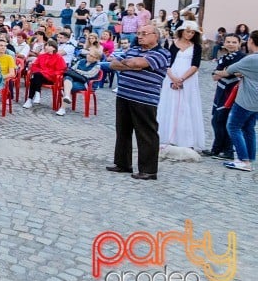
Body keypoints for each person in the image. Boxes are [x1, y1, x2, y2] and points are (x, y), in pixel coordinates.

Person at [107, 25, 170, 180]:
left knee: (146, 133)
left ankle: (148, 170)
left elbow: (137, 64)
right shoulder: (133, 50)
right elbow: (113, 63)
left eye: (144, 33)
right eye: (139, 33)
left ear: (155, 36)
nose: (140, 36)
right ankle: (122, 163)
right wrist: (133, 64)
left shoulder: (162, 53)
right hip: (124, 95)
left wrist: (131, 64)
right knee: (122, 130)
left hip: (144, 98)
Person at [156, 21, 204, 151]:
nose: (190, 34)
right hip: (171, 75)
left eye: (192, 32)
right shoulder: (171, 43)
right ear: (182, 31)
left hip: (187, 78)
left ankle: (185, 137)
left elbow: (195, 65)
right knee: (169, 104)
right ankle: (166, 135)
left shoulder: (196, 47)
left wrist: (182, 79)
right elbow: (166, 61)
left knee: (186, 105)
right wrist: (173, 77)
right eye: (188, 31)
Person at [217, 30, 258, 171]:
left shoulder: (250, 59)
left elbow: (227, 72)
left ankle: (243, 160)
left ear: (251, 41)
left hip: (246, 99)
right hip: (256, 102)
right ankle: (250, 157)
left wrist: (216, 73)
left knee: (233, 127)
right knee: (249, 128)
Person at [202, 33, 245, 159]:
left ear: (239, 43)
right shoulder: (224, 56)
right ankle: (217, 148)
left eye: (234, 42)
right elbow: (215, 75)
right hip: (221, 90)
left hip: (232, 91)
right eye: (228, 41)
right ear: (224, 43)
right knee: (216, 120)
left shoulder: (241, 57)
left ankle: (228, 151)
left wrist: (223, 73)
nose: (230, 44)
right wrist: (222, 73)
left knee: (224, 120)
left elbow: (235, 73)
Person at [58, 46, 103, 116]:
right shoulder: (81, 61)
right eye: (88, 54)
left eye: (91, 56)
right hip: (75, 79)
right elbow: (72, 69)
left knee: (68, 87)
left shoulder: (97, 66)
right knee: (67, 77)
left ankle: (62, 108)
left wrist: (78, 71)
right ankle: (66, 97)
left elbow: (89, 75)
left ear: (96, 59)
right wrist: (78, 72)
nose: (88, 56)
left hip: (86, 84)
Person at [23, 40, 66, 108]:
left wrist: (46, 72)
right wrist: (41, 71)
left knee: (35, 78)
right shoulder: (41, 56)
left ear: (54, 48)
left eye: (48, 45)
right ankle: (36, 94)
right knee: (36, 77)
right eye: (46, 45)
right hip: (40, 76)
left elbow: (61, 70)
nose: (46, 47)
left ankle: (30, 99)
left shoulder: (58, 58)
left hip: (51, 78)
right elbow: (35, 66)